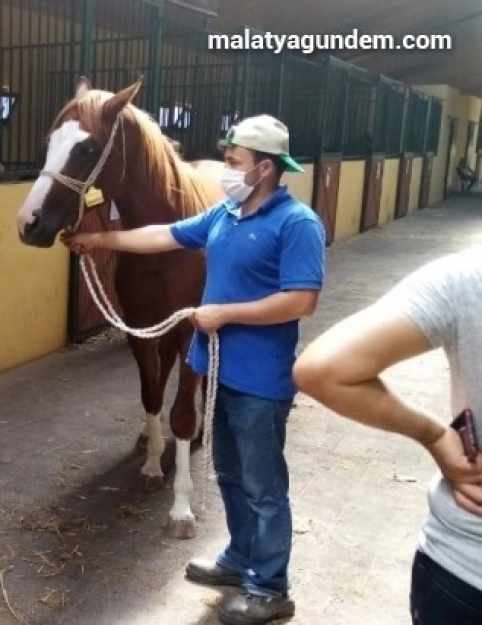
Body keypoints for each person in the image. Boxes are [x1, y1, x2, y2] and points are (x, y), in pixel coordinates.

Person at [63, 115, 326, 624]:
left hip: (260, 379)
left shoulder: (297, 224)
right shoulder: (226, 213)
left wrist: (224, 314)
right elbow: (163, 235)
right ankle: (239, 559)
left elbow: (302, 301)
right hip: (219, 368)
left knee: (263, 484)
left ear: (265, 168)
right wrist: (100, 242)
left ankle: (270, 587)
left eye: (234, 161)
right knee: (229, 472)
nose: (225, 167)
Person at [293, 251, 482, 624]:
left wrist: (434, 436)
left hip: (465, 566)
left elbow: (303, 309)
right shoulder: (223, 219)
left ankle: (265, 583)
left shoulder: (468, 277)